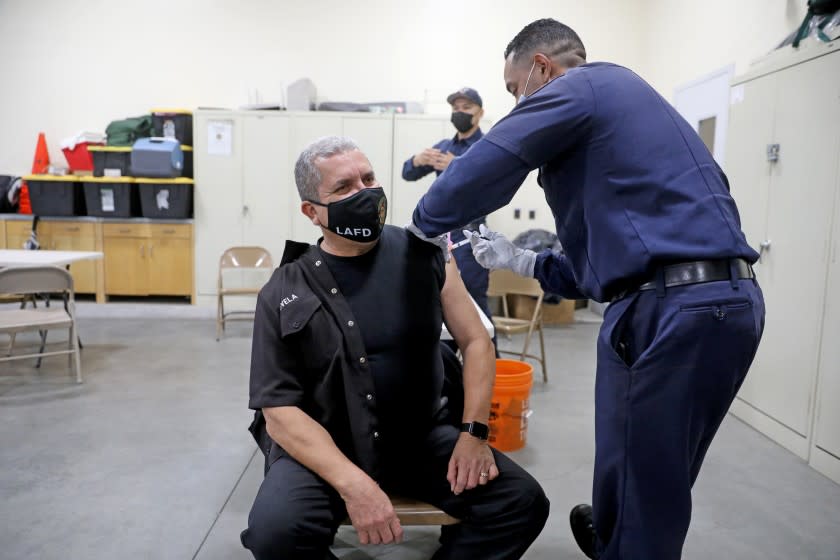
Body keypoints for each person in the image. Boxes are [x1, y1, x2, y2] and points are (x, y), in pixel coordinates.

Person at [407, 18, 766, 560]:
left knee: (648, 483)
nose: (516, 102)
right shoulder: (625, 113)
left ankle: (625, 542)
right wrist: (527, 260)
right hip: (714, 301)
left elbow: (498, 158)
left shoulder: (583, 85)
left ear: (542, 68)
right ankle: (612, 538)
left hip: (673, 308)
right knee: (645, 465)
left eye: (514, 89)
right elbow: (611, 259)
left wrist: (421, 227)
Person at [242, 136, 549, 560]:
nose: (364, 192)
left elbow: (476, 339)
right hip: (325, 450)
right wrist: (354, 484)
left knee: (519, 502)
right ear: (311, 211)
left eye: (368, 178)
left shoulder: (426, 255)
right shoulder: (284, 288)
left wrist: (474, 433)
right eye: (343, 187)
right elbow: (278, 412)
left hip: (419, 438)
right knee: (275, 533)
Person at [401, 88, 494, 328]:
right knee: (440, 305)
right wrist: (416, 160)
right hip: (440, 238)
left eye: (466, 108)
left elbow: (491, 186)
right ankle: (448, 363)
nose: (460, 112)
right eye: (456, 108)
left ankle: (490, 364)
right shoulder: (443, 146)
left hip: (470, 240)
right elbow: (407, 173)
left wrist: (459, 166)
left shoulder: (487, 146)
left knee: (476, 310)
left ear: (480, 113)